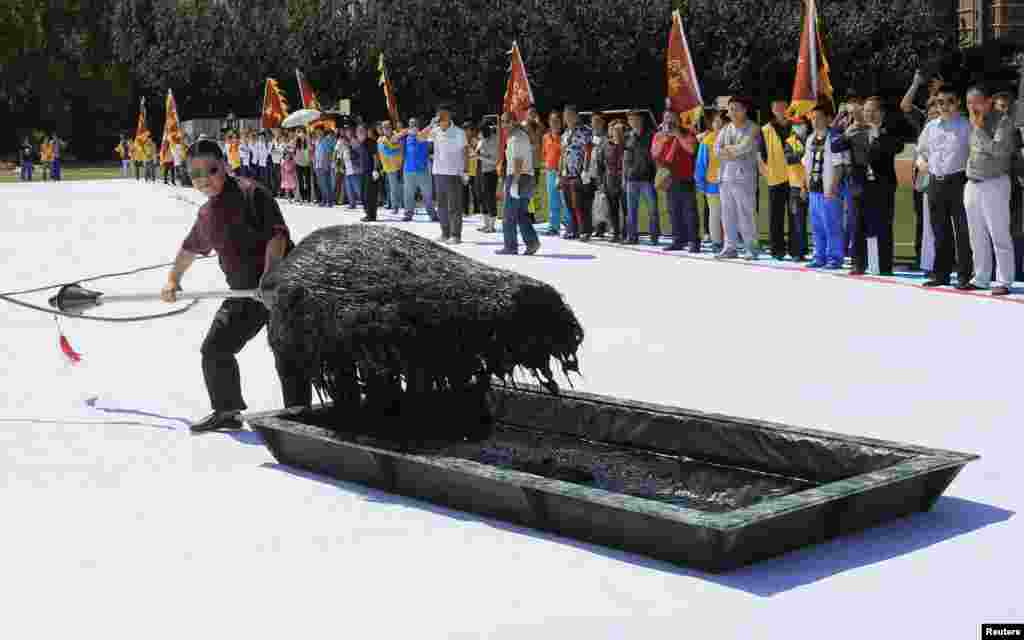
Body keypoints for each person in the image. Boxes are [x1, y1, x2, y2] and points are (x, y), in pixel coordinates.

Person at [160, 139, 310, 433]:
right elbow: (190, 249)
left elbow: (276, 238)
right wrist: (173, 279)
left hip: (280, 288)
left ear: (225, 166)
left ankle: (298, 414)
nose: (204, 179)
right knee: (215, 348)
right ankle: (227, 409)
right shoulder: (206, 214)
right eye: (196, 174)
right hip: (243, 294)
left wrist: (270, 279)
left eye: (211, 170)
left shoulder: (252, 194)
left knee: (287, 354)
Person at [916, 85, 974, 289]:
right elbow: (921, 151)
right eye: (940, 102)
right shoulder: (931, 127)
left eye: (950, 101)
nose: (945, 106)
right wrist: (921, 162)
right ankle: (941, 274)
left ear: (957, 102)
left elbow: (974, 154)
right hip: (935, 183)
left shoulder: (966, 126)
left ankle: (965, 275)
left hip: (958, 181)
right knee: (939, 230)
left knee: (963, 231)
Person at [962, 85, 1017, 296]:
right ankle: (981, 277)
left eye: (976, 102)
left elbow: (999, 151)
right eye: (968, 102)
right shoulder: (972, 121)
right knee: (976, 234)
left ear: (988, 102)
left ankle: (1004, 280)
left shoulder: (1003, 122)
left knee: (999, 233)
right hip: (972, 183)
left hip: (994, 183)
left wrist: (978, 129)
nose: (972, 106)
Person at [714, 96, 762, 260]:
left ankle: (751, 247)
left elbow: (744, 147)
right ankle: (730, 247)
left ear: (744, 110)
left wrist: (728, 150)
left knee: (745, 214)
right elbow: (716, 150)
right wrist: (729, 151)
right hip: (725, 177)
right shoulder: (725, 128)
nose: (732, 112)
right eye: (731, 109)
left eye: (736, 108)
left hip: (744, 178)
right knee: (727, 215)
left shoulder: (753, 128)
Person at [802, 103, 847, 269]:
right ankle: (819, 255)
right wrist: (804, 187)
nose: (815, 121)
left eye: (819, 118)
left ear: (828, 119)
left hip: (828, 190)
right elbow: (806, 165)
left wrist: (833, 187)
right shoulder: (810, 138)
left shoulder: (834, 137)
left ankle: (834, 257)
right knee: (816, 225)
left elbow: (838, 165)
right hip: (813, 189)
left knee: (832, 225)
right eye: (813, 118)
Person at [418, 103, 467, 244]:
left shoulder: (459, 132)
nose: (441, 117)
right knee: (441, 206)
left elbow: (464, 152)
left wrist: (465, 171)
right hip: (438, 172)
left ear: (449, 115)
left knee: (454, 206)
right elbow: (420, 138)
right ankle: (445, 233)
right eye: (439, 114)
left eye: (443, 114)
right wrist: (430, 124)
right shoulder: (435, 130)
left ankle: (456, 235)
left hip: (454, 173)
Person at [652, 110, 699, 251]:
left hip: (685, 176)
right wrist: (663, 139)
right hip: (669, 178)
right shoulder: (659, 135)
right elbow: (655, 154)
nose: (668, 121)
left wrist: (678, 135)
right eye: (666, 118)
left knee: (689, 212)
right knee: (673, 211)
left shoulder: (687, 133)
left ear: (678, 120)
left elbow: (691, 150)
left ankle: (694, 242)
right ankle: (678, 240)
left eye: (671, 118)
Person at [495, 112, 540, 256]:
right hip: (526, 177)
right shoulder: (519, 136)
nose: (504, 125)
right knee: (521, 214)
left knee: (508, 215)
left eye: (507, 121)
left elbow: (518, 161)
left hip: (518, 177)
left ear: (514, 122)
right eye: (502, 122)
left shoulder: (515, 138)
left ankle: (510, 246)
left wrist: (514, 183)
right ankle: (532, 242)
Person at [760, 99, 795, 259]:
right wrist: (766, 173)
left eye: (783, 107)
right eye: (777, 107)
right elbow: (760, 155)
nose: (780, 110)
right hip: (775, 176)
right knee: (776, 216)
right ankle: (777, 249)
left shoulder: (796, 125)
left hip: (795, 176)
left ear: (788, 108)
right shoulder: (765, 129)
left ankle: (796, 249)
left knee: (795, 214)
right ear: (772, 110)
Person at [559, 105, 594, 240]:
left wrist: (585, 170)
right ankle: (574, 229)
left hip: (579, 173)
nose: (567, 118)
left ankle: (585, 230)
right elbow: (562, 154)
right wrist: (561, 172)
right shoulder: (565, 134)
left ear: (576, 116)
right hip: (567, 173)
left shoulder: (584, 131)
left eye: (569, 115)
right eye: (565, 115)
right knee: (569, 204)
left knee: (580, 203)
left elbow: (588, 151)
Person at [622, 110, 656, 245]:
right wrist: (624, 178)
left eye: (635, 119)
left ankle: (654, 236)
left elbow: (654, 156)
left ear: (641, 120)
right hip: (631, 179)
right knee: (631, 211)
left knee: (652, 210)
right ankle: (632, 237)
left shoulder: (651, 135)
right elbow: (625, 159)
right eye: (631, 120)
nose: (633, 122)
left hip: (647, 178)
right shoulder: (627, 136)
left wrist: (655, 174)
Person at [696, 110, 726, 253]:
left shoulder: (732, 138)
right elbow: (701, 164)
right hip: (713, 184)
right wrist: (701, 183)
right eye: (716, 121)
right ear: (712, 124)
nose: (719, 124)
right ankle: (717, 242)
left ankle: (730, 241)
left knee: (730, 214)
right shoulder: (707, 140)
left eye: (722, 121)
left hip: (730, 184)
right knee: (715, 214)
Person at [397, 117, 435, 221]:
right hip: (408, 170)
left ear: (418, 125)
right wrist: (404, 132)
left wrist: (431, 124)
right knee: (408, 194)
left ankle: (432, 214)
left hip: (422, 170)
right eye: (410, 124)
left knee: (427, 194)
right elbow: (394, 139)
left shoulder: (423, 135)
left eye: (414, 124)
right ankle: (408, 214)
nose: (412, 126)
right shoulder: (406, 137)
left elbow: (426, 132)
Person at [595, 120, 627, 243]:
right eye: (614, 131)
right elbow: (600, 165)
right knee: (613, 208)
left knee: (626, 209)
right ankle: (616, 232)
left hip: (624, 181)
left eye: (619, 131)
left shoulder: (626, 144)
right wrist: (601, 182)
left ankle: (626, 232)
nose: (616, 133)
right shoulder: (605, 145)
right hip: (610, 181)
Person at [783, 116, 810, 262]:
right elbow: (788, 158)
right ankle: (797, 252)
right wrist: (804, 155)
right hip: (796, 186)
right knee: (797, 221)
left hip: (812, 186)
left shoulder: (813, 137)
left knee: (817, 220)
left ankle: (812, 250)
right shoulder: (790, 142)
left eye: (802, 124)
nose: (799, 126)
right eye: (796, 124)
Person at [584, 113, 609, 237]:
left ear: (602, 122)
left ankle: (601, 227)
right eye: (593, 121)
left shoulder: (606, 137)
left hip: (601, 174)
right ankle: (592, 226)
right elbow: (587, 154)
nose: (595, 124)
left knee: (601, 201)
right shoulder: (589, 137)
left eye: (598, 121)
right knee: (590, 202)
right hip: (589, 173)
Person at [542, 112, 566, 236]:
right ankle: (554, 226)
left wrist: (561, 172)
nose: (555, 123)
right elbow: (545, 153)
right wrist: (546, 166)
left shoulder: (564, 137)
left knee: (565, 200)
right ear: (549, 122)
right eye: (553, 121)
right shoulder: (546, 137)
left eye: (557, 121)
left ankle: (569, 225)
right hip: (550, 172)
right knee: (552, 200)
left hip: (561, 172)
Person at [474, 120, 499, 233]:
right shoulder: (482, 139)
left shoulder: (494, 140)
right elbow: (478, 152)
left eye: (481, 132)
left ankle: (492, 226)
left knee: (490, 197)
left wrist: (480, 157)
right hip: (480, 170)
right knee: (481, 196)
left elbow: (494, 160)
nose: (480, 134)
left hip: (490, 172)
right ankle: (486, 224)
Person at [355, 124, 383, 222]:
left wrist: (375, 169)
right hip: (363, 172)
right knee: (363, 195)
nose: (359, 133)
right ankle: (368, 213)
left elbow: (376, 157)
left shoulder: (370, 142)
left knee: (369, 195)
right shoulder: (361, 144)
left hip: (371, 172)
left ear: (366, 132)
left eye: (362, 131)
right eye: (358, 131)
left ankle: (371, 216)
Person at [525, 105, 547, 225]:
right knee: (527, 191)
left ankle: (533, 215)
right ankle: (527, 215)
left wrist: (538, 123)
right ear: (526, 114)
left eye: (534, 112)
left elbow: (544, 131)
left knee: (535, 191)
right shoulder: (524, 126)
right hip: (526, 164)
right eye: (531, 113)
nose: (533, 115)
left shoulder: (538, 126)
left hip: (536, 163)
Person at [378, 120, 404, 216]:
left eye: (388, 127)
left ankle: (401, 205)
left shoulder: (397, 136)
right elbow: (388, 153)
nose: (386, 129)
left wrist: (395, 148)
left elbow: (401, 148)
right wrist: (396, 148)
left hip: (401, 165)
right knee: (393, 188)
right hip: (389, 168)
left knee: (400, 186)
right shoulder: (381, 140)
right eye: (384, 128)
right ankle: (395, 206)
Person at [314, 128, 336, 207]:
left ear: (323, 133)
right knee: (321, 184)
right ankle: (324, 200)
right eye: (317, 132)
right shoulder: (317, 141)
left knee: (326, 183)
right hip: (317, 165)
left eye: (320, 132)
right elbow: (316, 153)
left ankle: (329, 201)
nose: (318, 133)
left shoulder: (326, 141)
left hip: (324, 165)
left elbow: (328, 153)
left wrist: (325, 164)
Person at [462, 121, 479, 217]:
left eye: (467, 129)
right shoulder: (461, 141)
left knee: (475, 191)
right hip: (464, 169)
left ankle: (477, 211)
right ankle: (465, 211)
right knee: (464, 191)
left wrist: (471, 148)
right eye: (464, 130)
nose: (466, 132)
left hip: (474, 169)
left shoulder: (475, 141)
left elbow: (477, 154)